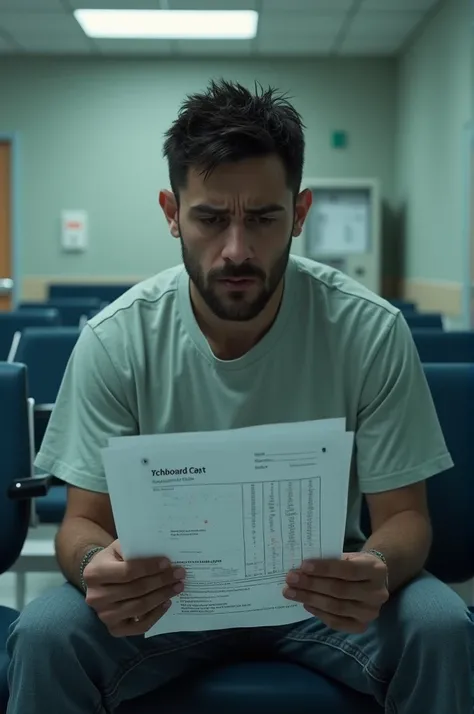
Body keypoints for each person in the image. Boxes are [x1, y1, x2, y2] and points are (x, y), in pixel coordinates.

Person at [6, 80, 473, 714]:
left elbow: (405, 519)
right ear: (172, 212)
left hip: (321, 597)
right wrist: (96, 565)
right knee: (45, 632)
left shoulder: (368, 329)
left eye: (262, 218)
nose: (236, 250)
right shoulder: (117, 339)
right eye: (209, 218)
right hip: (165, 602)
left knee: (441, 625)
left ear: (299, 213)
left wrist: (378, 568)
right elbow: (82, 522)